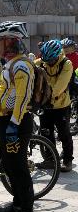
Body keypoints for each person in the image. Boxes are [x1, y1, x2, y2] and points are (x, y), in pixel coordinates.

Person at [0, 21, 35, 212]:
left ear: (9, 41)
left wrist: (13, 123)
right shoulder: (10, 63)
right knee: (8, 164)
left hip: (15, 122)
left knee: (18, 167)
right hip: (4, 120)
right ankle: (18, 205)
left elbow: (23, 97)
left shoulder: (22, 65)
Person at [36, 40, 74, 172]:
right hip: (45, 105)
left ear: (58, 55)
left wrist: (44, 95)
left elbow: (59, 87)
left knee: (64, 133)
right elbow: (28, 68)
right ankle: (50, 159)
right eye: (46, 60)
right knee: (46, 133)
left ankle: (68, 160)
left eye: (51, 60)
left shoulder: (66, 64)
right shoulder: (41, 62)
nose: (48, 63)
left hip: (61, 105)